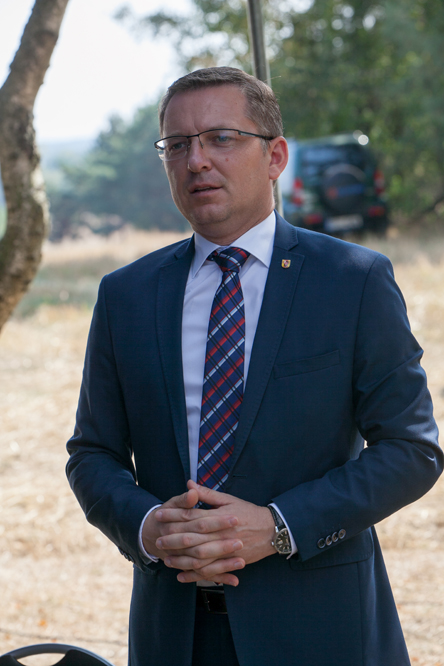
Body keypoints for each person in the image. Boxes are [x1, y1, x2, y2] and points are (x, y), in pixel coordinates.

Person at [66, 67, 442, 666]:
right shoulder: (126, 295)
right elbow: (92, 453)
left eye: (221, 138)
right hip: (175, 636)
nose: (196, 161)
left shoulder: (353, 281)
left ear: (275, 156)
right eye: (178, 145)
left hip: (321, 632)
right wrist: (147, 527)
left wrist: (279, 525)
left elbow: (411, 449)